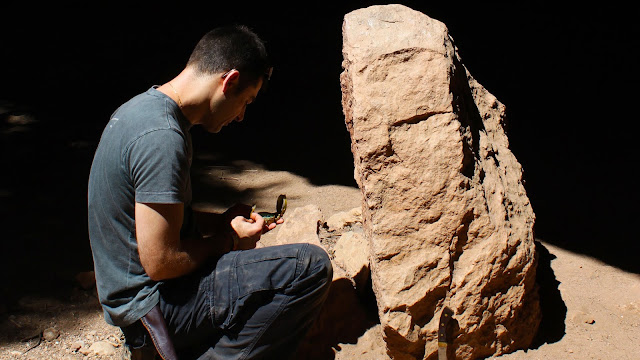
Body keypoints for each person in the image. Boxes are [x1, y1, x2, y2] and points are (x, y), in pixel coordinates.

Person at [87, 25, 332, 360]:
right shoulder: (163, 137)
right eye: (246, 101)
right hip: (153, 309)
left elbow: (148, 219)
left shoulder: (140, 110)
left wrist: (219, 223)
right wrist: (229, 241)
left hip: (135, 305)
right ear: (229, 81)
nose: (242, 116)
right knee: (309, 266)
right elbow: (161, 262)